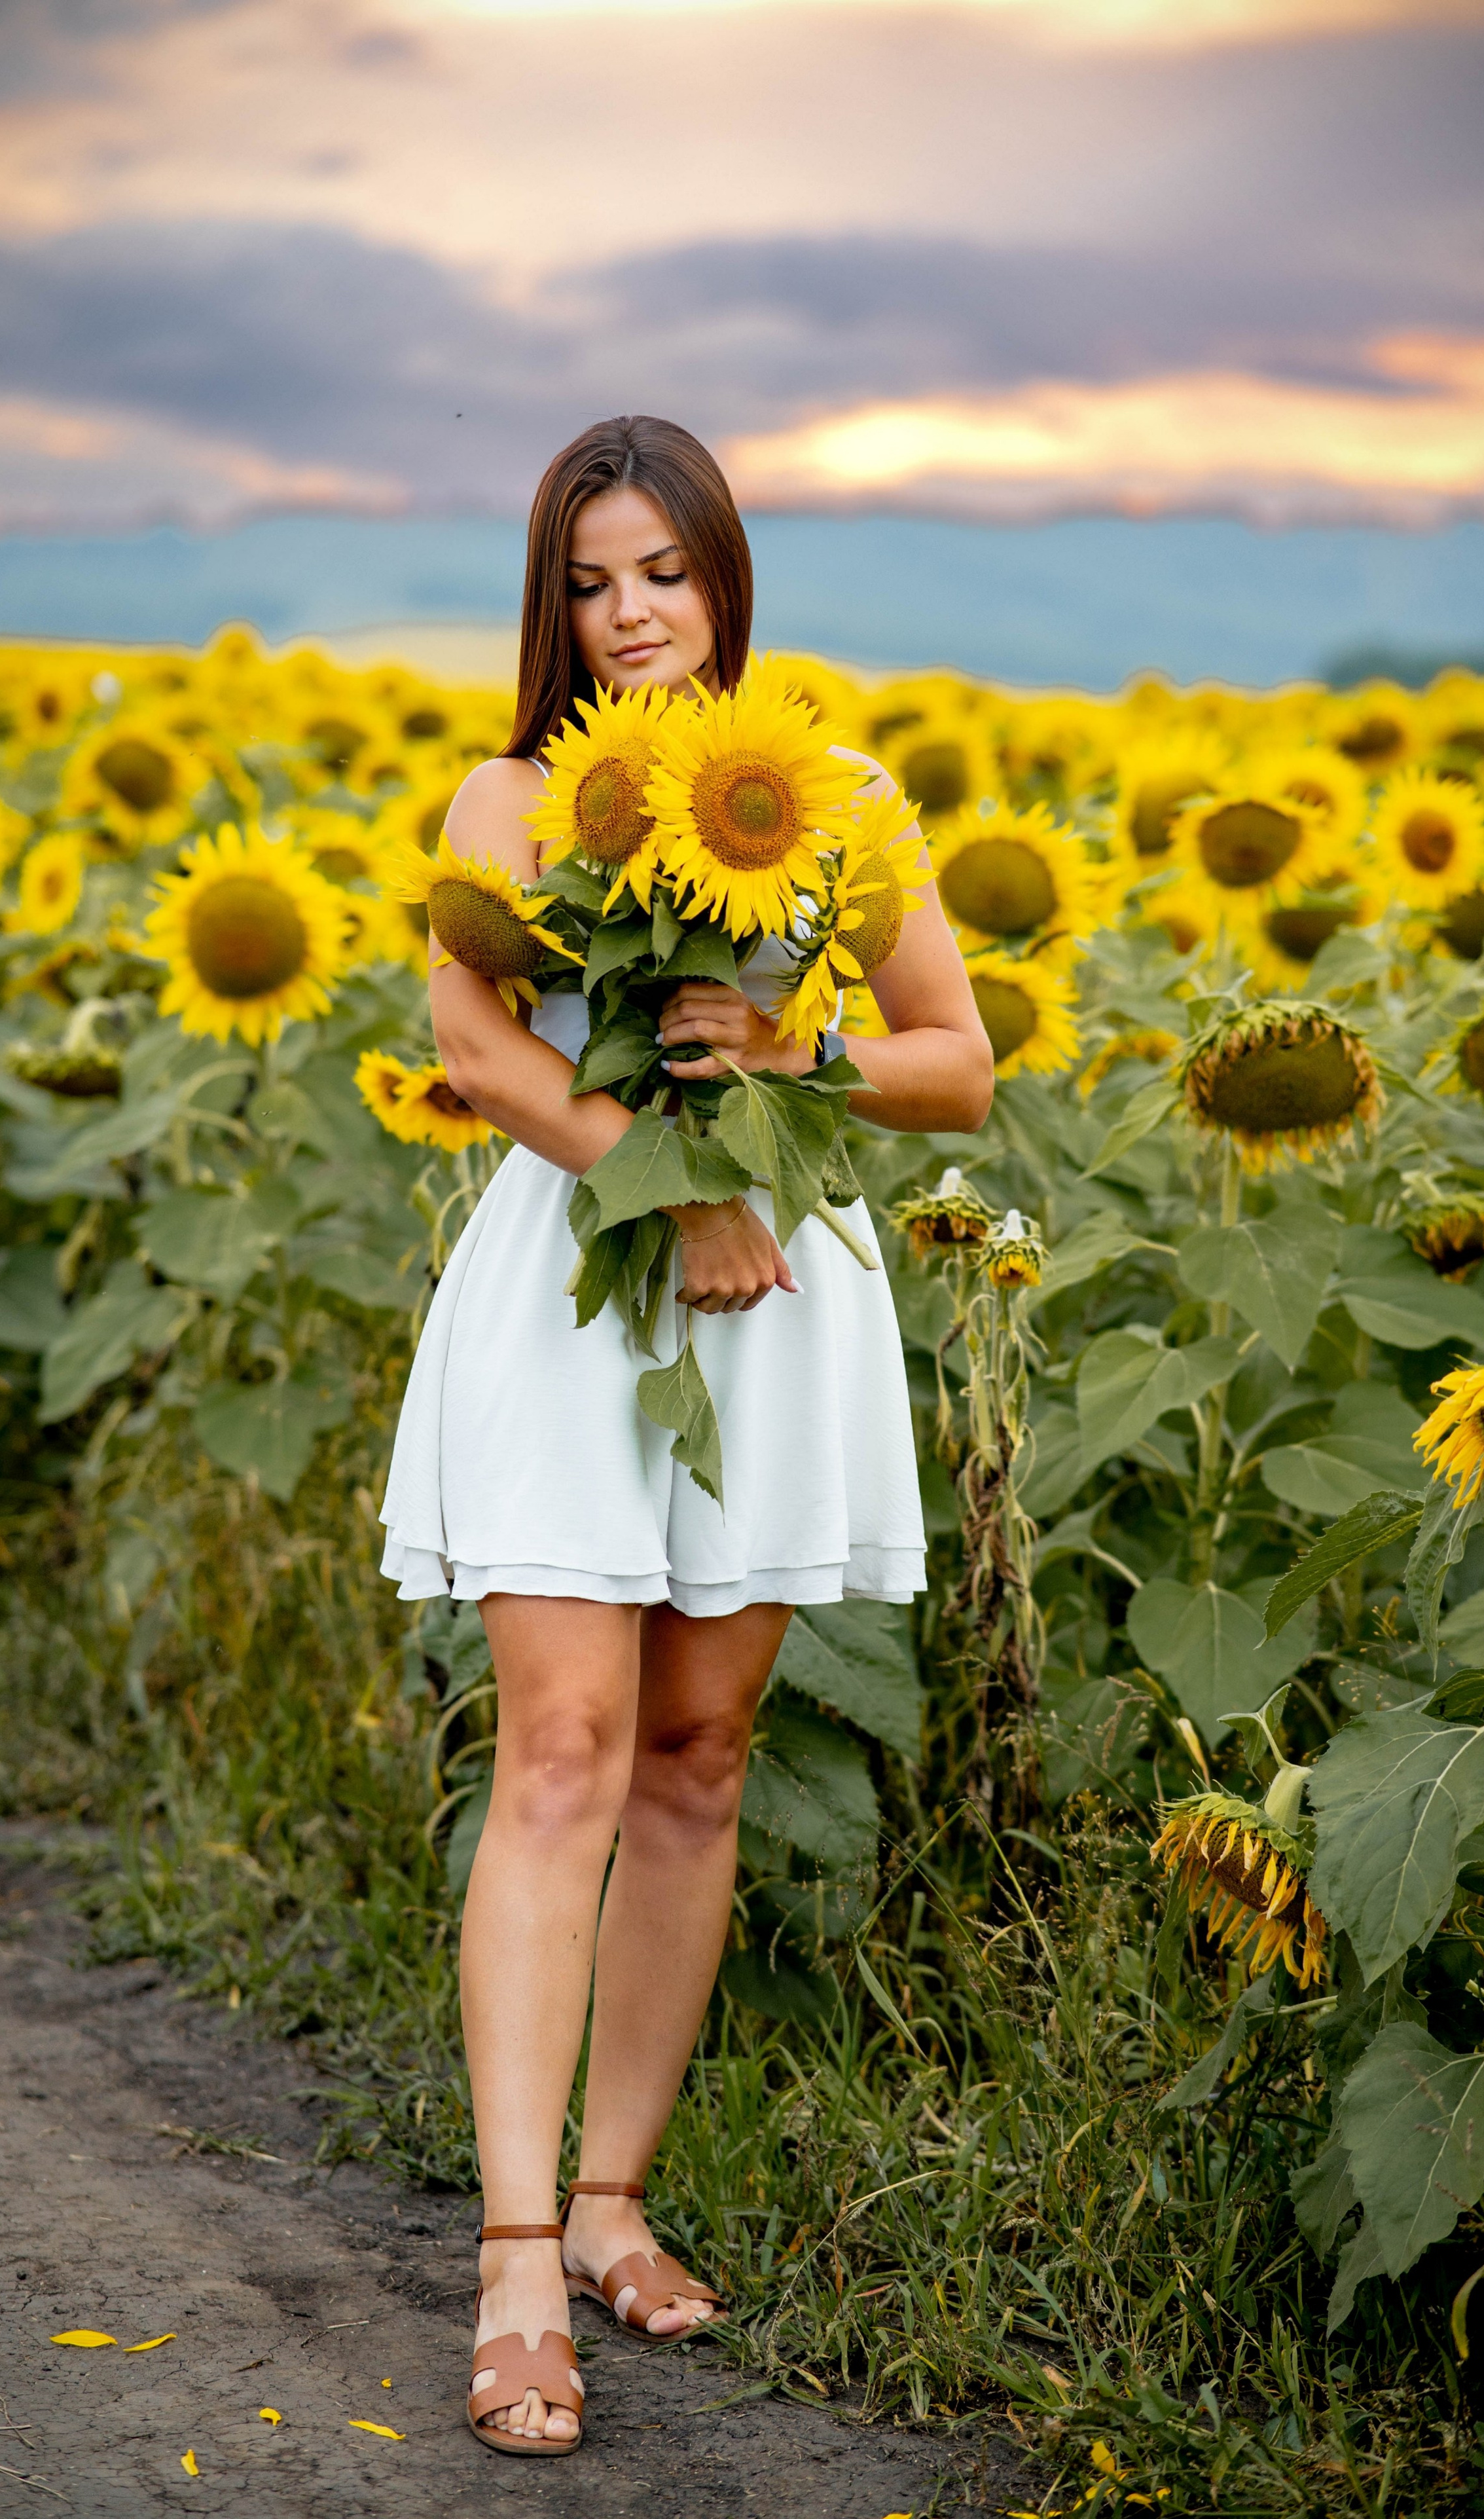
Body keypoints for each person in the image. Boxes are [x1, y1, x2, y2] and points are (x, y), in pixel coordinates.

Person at [378, 414, 993, 2455]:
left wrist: (806, 1044)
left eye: (664, 570)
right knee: (560, 1753)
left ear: (726, 575)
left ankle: (622, 2204)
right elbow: (476, 1055)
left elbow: (959, 1067)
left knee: (702, 1759)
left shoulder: (838, 799)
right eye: (590, 580)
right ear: (551, 607)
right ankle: (516, 2254)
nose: (632, 613)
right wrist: (680, 1175)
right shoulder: (511, 799)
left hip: (780, 1315)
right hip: (579, 1296)